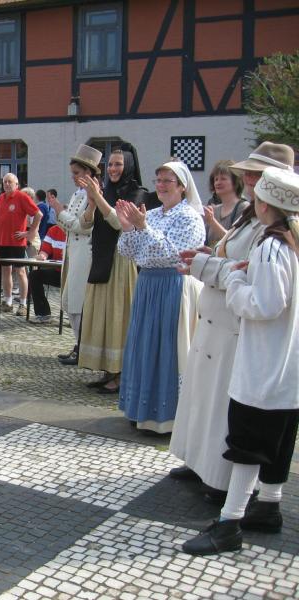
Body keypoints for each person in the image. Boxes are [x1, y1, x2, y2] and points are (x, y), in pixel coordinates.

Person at [183, 167, 299, 556]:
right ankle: (268, 506)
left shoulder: (271, 246)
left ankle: (230, 523)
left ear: (263, 203)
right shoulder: (293, 242)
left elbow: (264, 305)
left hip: (264, 364)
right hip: (289, 366)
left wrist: (235, 280)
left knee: (248, 443)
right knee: (279, 439)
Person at [116, 161, 205, 434]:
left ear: (182, 186)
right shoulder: (152, 214)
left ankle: (168, 416)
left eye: (168, 180)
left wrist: (142, 228)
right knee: (144, 345)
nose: (161, 185)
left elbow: (174, 254)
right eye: (158, 180)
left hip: (173, 285)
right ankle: (142, 410)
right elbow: (129, 252)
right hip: (148, 284)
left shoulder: (190, 217)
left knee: (167, 347)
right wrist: (128, 228)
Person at [78, 145, 146, 394]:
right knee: (101, 315)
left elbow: (120, 222)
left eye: (118, 164)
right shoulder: (103, 191)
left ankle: (121, 373)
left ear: (128, 166)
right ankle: (107, 369)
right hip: (101, 258)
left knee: (118, 316)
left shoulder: (138, 193)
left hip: (121, 262)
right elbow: (84, 225)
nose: (113, 169)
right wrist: (91, 203)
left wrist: (99, 198)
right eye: (110, 164)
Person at [48, 145, 101, 364]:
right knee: (69, 301)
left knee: (78, 302)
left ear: (88, 172)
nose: (73, 177)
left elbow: (82, 226)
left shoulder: (94, 194)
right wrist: (62, 214)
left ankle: (84, 348)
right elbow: (69, 226)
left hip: (85, 253)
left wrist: (59, 211)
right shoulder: (78, 193)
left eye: (77, 173)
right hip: (73, 251)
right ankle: (80, 344)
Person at [0, 174, 41, 316]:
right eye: (5, 182)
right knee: (5, 271)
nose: (7, 184)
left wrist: (30, 233)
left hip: (17, 242)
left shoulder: (22, 197)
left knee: (20, 272)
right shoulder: (0, 198)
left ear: (16, 184)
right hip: (3, 242)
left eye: (10, 182)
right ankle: (8, 302)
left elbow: (38, 214)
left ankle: (23, 304)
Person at [203, 160, 247, 246]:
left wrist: (212, 221)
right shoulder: (214, 210)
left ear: (235, 182)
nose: (218, 183)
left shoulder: (243, 208)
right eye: (216, 179)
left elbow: (234, 242)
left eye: (223, 178)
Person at [30, 223, 66, 323]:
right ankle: (43, 314)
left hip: (74, 275)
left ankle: (77, 318)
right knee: (34, 275)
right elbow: (45, 251)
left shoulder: (77, 230)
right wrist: (42, 256)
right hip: (58, 272)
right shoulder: (53, 230)